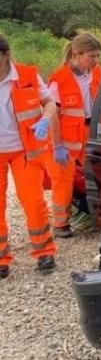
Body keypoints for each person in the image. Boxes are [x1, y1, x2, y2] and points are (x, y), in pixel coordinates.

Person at [0, 35, 58, 277]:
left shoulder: (26, 75)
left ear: (6, 55)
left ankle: (44, 252)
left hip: (25, 151)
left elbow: (50, 102)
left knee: (33, 202)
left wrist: (45, 120)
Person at [46, 33, 101, 238]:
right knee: (63, 180)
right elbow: (52, 115)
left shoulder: (95, 73)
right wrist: (57, 145)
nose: (96, 60)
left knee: (98, 174)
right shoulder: (59, 80)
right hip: (66, 140)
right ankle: (61, 224)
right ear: (77, 54)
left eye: (97, 56)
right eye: (92, 56)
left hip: (91, 132)